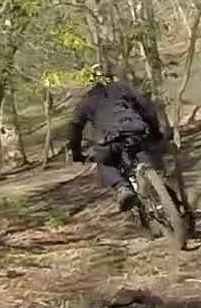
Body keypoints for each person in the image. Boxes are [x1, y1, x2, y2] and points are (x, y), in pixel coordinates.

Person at [66, 67, 169, 213]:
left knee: (104, 161)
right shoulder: (122, 89)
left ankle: (122, 187)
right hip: (136, 131)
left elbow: (75, 128)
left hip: (109, 140)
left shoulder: (85, 102)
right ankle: (161, 184)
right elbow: (147, 108)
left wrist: (76, 153)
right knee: (144, 151)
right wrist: (155, 132)